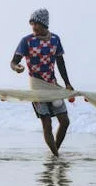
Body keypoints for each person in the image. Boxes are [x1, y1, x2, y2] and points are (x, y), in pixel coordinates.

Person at [10, 8, 73, 156]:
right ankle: (56, 156)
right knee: (47, 123)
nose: (33, 27)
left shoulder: (55, 39)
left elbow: (60, 62)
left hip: (52, 85)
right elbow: (13, 62)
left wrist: (67, 83)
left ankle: (54, 153)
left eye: (36, 24)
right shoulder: (27, 41)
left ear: (44, 24)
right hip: (37, 87)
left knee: (64, 121)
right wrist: (17, 67)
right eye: (31, 24)